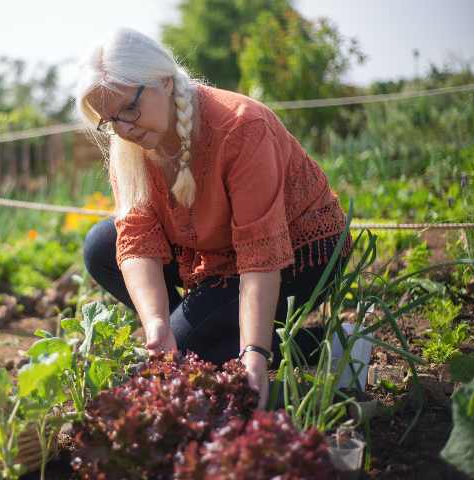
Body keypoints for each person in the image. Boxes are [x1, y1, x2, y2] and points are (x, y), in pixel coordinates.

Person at [75, 28, 353, 409]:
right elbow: (137, 237)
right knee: (101, 247)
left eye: (129, 109)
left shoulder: (241, 127)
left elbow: (260, 255)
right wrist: (157, 325)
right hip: (217, 251)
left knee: (190, 348)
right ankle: (199, 335)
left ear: (164, 82)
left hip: (300, 251)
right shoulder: (131, 146)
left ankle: (334, 345)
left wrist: (254, 351)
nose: (123, 129)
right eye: (110, 121)